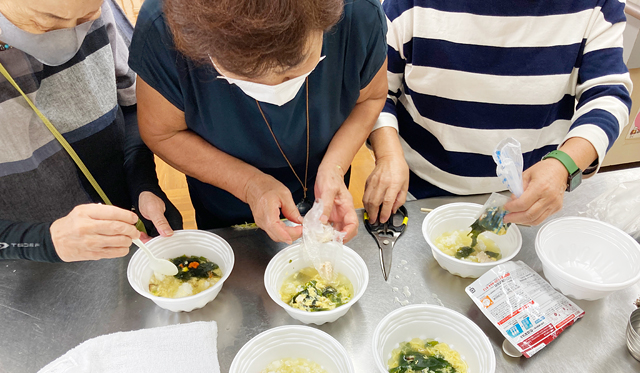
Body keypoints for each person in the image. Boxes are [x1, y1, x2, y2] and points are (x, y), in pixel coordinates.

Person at [128, 0, 388, 244]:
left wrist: (334, 167)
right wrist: (248, 184)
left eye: (293, 72)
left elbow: (370, 98)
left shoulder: (357, 12)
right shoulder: (165, 26)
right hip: (225, 204)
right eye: (246, 77)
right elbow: (163, 133)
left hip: (322, 180)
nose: (275, 88)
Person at [363, 0, 632, 226]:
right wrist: (387, 156)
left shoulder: (596, 5)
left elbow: (607, 95)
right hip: (417, 191)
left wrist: (564, 165)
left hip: (528, 200)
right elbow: (378, 91)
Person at [0, 0, 181, 262]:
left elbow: (131, 105)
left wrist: (142, 183)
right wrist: (42, 241)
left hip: (123, 237)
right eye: (49, 19)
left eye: (86, 16)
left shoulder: (97, 7)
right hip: (24, 271)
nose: (71, 36)